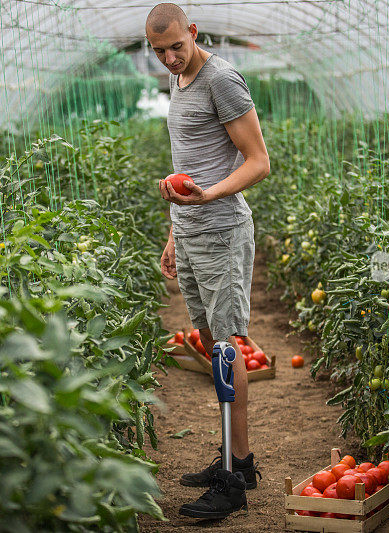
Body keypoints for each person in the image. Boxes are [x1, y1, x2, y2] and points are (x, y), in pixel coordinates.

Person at [145, 2, 270, 520]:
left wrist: (208, 197)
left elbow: (260, 162)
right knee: (215, 344)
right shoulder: (177, 82)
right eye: (159, 52)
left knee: (225, 350)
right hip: (194, 233)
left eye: (177, 46)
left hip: (222, 232)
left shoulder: (222, 80)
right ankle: (236, 461)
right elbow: (186, 165)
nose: (170, 58)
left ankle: (233, 480)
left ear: (192, 33)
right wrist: (176, 232)